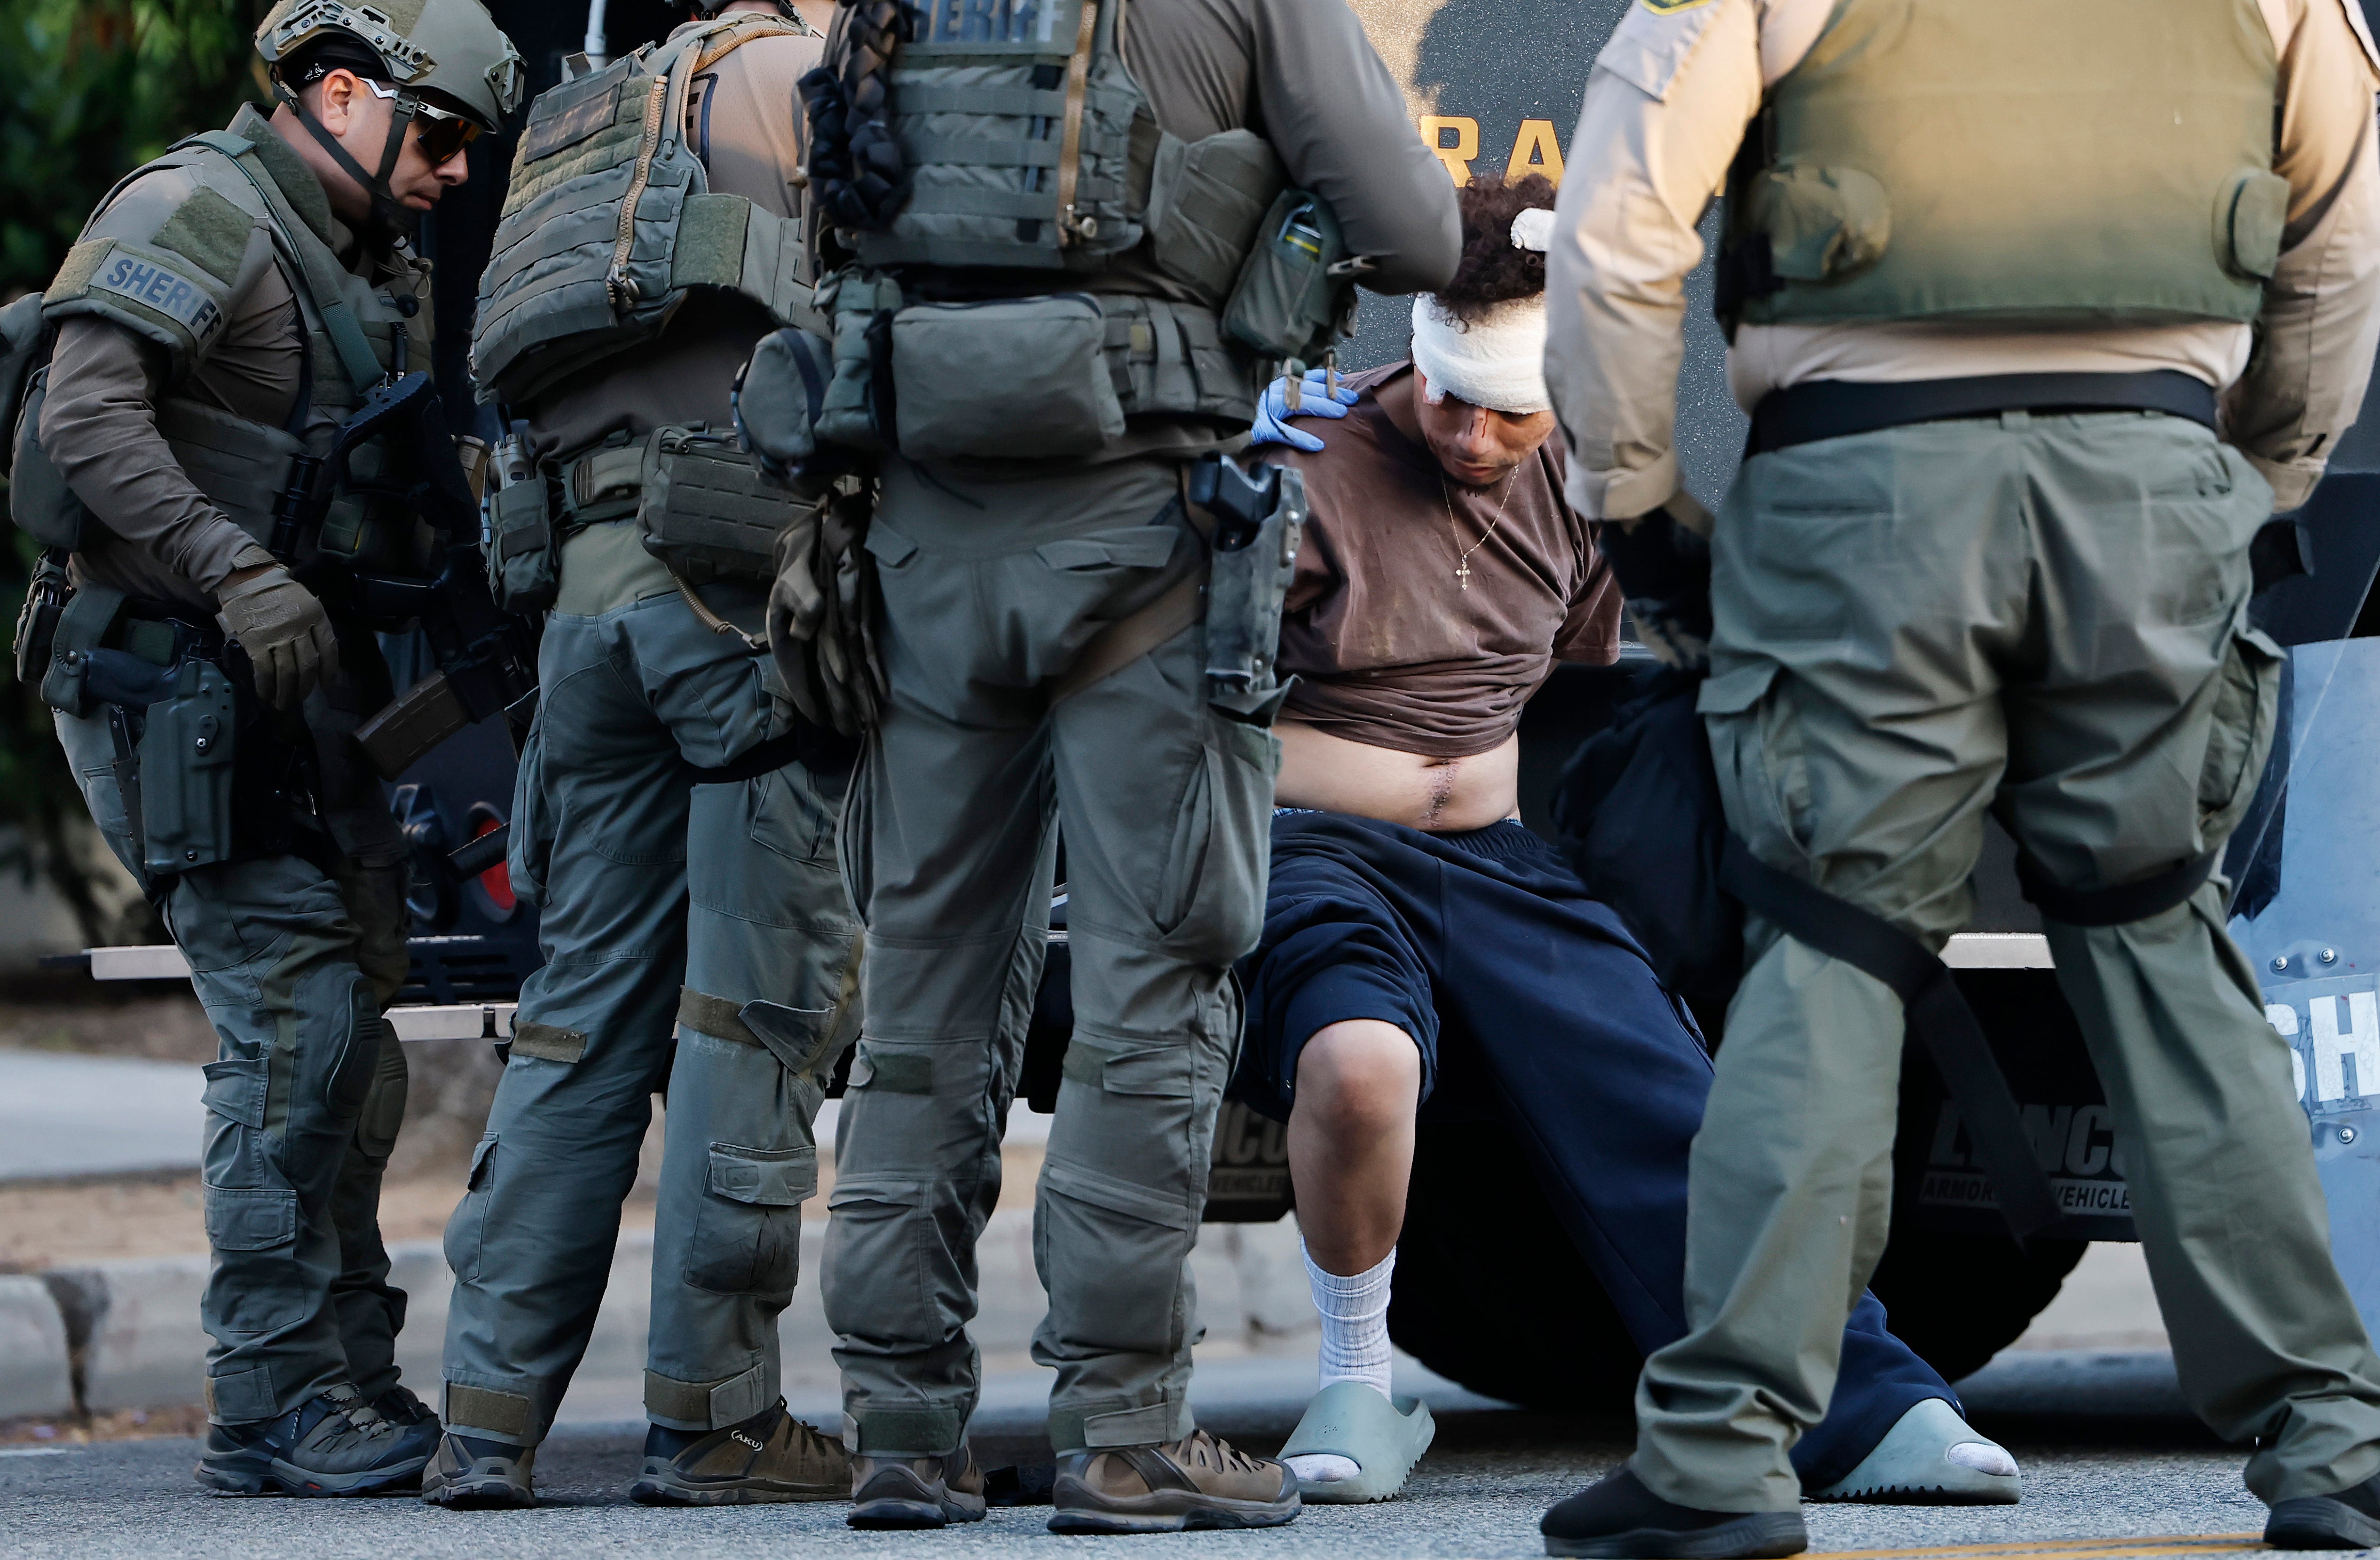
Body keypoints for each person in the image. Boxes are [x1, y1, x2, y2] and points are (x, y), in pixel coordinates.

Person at [1538, 0, 2380, 1554]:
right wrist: (2245, 488)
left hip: (1861, 492)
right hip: (2151, 482)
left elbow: (1612, 234)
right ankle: (2328, 1441)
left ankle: (1723, 1455)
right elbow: (2334, 259)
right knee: (2154, 938)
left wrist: (1634, 504)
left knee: (1835, 951)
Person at [1242, 175, 2016, 1510]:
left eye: (1507, 406)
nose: (1470, 430)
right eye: (1445, 392)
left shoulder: (1592, 469)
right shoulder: (1308, 461)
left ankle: (1857, 1396)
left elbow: (1586, 678)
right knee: (1361, 1068)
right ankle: (1358, 1382)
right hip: (1317, 845)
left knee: (1674, 1094)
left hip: (1495, 857)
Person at [785, 0, 1460, 1530]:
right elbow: (1414, 229)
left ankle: (899, 1423)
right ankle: (1124, 1427)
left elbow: (830, 215)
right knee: (1157, 980)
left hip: (922, 535)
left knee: (924, 985)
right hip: (1145, 532)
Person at [19, 0, 520, 1496]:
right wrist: (235, 568)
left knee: (352, 1037)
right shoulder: (199, 209)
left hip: (308, 692)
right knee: (297, 1025)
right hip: (171, 677)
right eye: (437, 137)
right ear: (347, 92)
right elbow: (84, 415)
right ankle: (268, 1394)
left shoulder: (380, 261)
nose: (450, 173)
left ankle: (343, 1372)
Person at [425, 0, 860, 1511]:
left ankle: (483, 1415)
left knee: (575, 1018)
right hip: (736, 602)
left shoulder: (592, 111)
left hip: (586, 605)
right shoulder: (806, 78)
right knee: (752, 1011)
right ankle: (718, 1419)